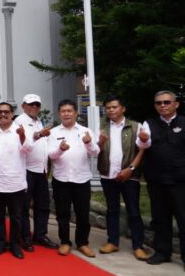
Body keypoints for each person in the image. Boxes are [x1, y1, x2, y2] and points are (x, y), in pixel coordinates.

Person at [96, 96, 148, 260]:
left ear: (123, 108)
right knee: (112, 210)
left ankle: (138, 246)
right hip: (108, 175)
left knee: (133, 211)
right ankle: (112, 242)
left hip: (129, 176)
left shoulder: (135, 126)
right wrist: (99, 143)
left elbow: (142, 149)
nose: (111, 110)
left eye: (114, 107)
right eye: (108, 107)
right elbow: (95, 150)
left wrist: (131, 169)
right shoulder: (102, 126)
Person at [137, 90, 184, 268]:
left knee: (183, 218)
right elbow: (143, 145)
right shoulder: (149, 124)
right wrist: (142, 139)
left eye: (166, 102)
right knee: (160, 218)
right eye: (159, 103)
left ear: (176, 104)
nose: (162, 106)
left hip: (180, 181)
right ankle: (162, 252)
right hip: (157, 180)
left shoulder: (183, 123)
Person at [47, 99, 100, 258]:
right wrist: (60, 149)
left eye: (70, 111)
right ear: (59, 113)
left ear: (76, 112)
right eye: (63, 111)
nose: (66, 114)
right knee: (62, 213)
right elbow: (50, 155)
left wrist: (89, 143)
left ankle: (82, 242)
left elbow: (95, 152)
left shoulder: (85, 131)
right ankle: (65, 242)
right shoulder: (54, 132)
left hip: (81, 179)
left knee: (83, 213)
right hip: (61, 179)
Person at [0, 102, 30, 259]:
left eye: (6, 112)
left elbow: (28, 149)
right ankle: (0, 242)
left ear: (12, 114)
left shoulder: (20, 130)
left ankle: (15, 244)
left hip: (15, 181)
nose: (3, 114)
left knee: (16, 216)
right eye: (0, 112)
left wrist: (23, 136)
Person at [14, 94, 57, 249]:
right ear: (23, 106)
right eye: (31, 104)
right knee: (24, 206)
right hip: (26, 170)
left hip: (41, 170)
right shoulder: (19, 122)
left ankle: (40, 234)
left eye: (37, 105)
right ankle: (24, 237)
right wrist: (39, 135)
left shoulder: (38, 121)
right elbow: (25, 142)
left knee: (42, 205)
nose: (34, 107)